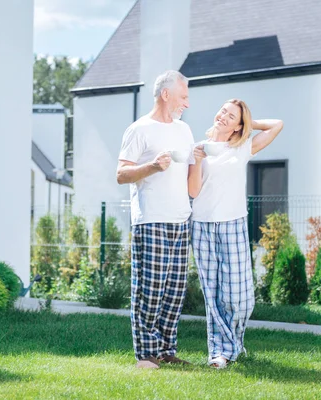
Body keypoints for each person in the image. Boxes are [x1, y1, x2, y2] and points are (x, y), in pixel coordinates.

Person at [188, 99, 283, 369]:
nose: (223, 117)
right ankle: (220, 352)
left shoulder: (242, 147)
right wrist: (195, 161)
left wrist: (246, 125)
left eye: (231, 117)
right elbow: (193, 192)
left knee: (239, 296)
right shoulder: (199, 147)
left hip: (233, 225)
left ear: (239, 125)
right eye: (223, 112)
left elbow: (277, 125)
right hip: (203, 225)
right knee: (213, 293)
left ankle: (233, 344)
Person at [116, 70, 194, 369]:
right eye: (183, 96)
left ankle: (166, 350)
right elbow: (121, 174)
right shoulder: (139, 130)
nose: (186, 103)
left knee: (174, 290)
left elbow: (189, 174)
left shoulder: (183, 131)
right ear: (166, 95)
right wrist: (151, 167)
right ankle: (145, 355)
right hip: (151, 219)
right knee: (150, 288)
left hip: (180, 218)